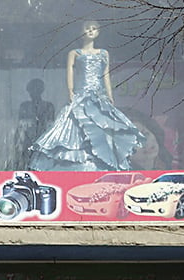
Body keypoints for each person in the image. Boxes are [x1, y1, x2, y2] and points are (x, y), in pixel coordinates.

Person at [29, 20, 145, 171]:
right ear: (81, 32)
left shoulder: (103, 53)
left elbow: (106, 75)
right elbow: (70, 71)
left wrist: (109, 94)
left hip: (98, 97)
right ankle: (76, 166)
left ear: (98, 32)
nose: (90, 31)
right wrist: (70, 91)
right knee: (75, 127)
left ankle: (102, 164)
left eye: (94, 29)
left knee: (102, 127)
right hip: (80, 95)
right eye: (87, 28)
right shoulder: (75, 53)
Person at [4, 78, 56, 171]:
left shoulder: (48, 106)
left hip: (43, 144)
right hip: (27, 144)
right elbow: (21, 127)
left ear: (41, 90)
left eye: (37, 89)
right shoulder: (25, 106)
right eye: (32, 90)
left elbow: (50, 126)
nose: (34, 93)